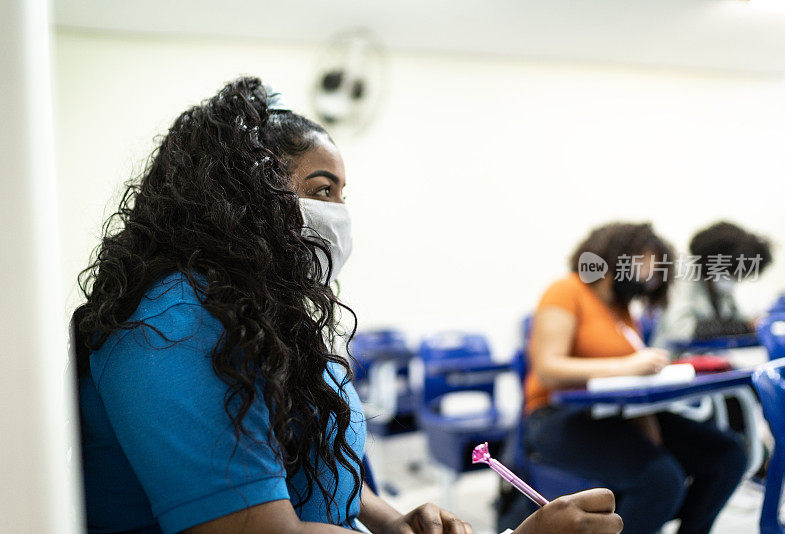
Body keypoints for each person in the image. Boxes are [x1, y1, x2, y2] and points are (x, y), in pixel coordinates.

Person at [73, 77, 623, 534]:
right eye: (320, 190)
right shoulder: (174, 327)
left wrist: (393, 521)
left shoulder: (256, 315)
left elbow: (310, 458)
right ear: (242, 198)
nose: (339, 216)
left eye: (341, 195)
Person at [521, 222, 747, 534]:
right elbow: (548, 368)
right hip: (556, 417)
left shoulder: (623, 311)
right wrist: (627, 365)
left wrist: (650, 431)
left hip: (620, 415)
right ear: (615, 256)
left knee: (728, 456)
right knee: (660, 479)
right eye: (643, 264)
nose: (648, 275)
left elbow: (635, 384)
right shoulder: (566, 290)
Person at [651, 221, 773, 349]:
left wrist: (750, 324)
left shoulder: (718, 287)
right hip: (672, 359)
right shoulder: (683, 276)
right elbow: (679, 330)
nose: (734, 280)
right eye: (733, 274)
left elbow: (734, 318)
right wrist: (743, 326)